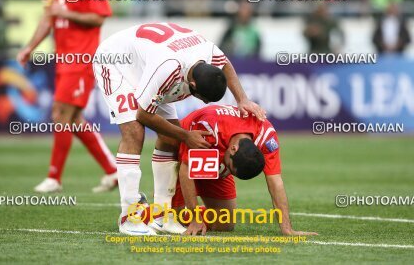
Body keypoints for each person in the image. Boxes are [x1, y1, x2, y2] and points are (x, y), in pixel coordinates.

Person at [93, 22, 266, 235]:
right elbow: (143, 114)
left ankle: (162, 215)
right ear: (192, 85)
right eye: (202, 99)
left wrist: (243, 99)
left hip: (150, 60)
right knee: (134, 132)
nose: (203, 104)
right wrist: (186, 135)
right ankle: (128, 217)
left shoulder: (208, 52)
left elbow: (226, 64)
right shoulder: (168, 69)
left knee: (171, 140)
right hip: (118, 61)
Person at [16, 0, 117, 194]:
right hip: (62, 59)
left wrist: (67, 11)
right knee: (73, 119)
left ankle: (54, 178)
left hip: (81, 58)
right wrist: (29, 47)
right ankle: (113, 170)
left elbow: (100, 16)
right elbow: (48, 18)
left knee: (61, 114)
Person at [172, 105, 317, 236]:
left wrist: (287, 229)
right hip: (181, 154)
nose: (226, 170)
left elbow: (276, 183)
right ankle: (158, 212)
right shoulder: (210, 128)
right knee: (174, 219)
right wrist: (195, 219)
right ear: (233, 149)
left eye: (230, 171)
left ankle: (191, 211)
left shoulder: (266, 137)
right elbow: (186, 170)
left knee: (224, 224)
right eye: (229, 167)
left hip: (213, 158)